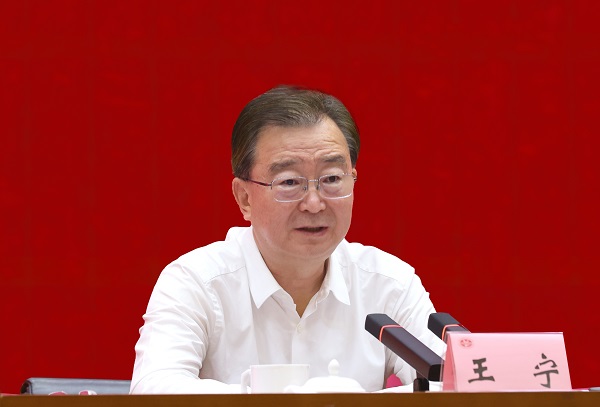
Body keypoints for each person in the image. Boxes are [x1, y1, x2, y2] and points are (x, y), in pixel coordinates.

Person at [130, 85, 445, 394]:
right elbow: (153, 390)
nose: (314, 203)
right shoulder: (196, 282)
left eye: (332, 179)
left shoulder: (389, 284)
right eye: (290, 182)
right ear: (244, 198)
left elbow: (450, 386)